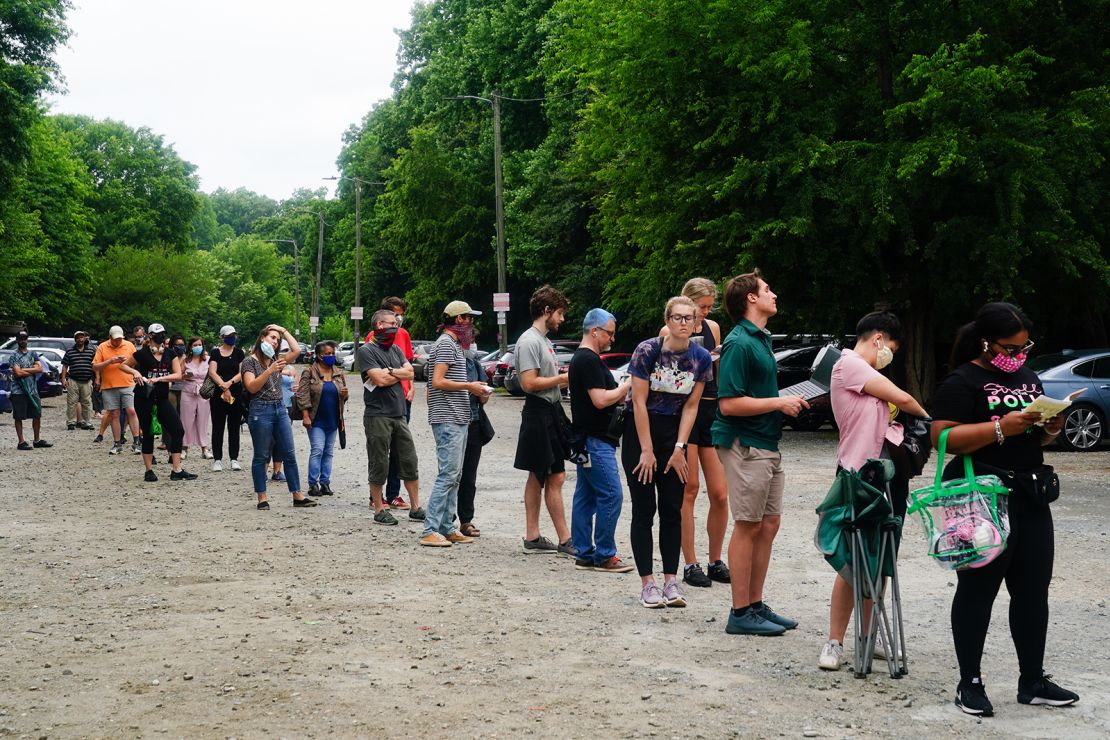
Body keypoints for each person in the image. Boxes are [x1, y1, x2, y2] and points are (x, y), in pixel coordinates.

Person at [930, 302, 1078, 716]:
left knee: (1033, 590)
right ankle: (969, 683)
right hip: (979, 499)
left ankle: (1032, 679)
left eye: (1023, 347)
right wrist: (1000, 428)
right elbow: (942, 439)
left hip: (1029, 496)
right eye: (1009, 348)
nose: (1017, 356)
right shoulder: (962, 381)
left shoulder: (1028, 376)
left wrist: (1048, 429)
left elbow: (1029, 437)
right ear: (985, 342)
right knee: (978, 591)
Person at [817, 311, 928, 671]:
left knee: (881, 559)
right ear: (878, 338)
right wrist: (928, 419)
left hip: (890, 473)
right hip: (858, 472)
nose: (890, 355)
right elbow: (906, 401)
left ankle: (869, 635)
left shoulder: (871, 374)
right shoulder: (848, 365)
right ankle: (834, 641)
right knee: (852, 559)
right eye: (891, 347)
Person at [713, 269, 808, 635]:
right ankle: (739, 612)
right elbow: (729, 405)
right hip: (745, 443)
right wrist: (778, 404)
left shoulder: (761, 338)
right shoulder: (739, 343)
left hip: (766, 442)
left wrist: (781, 403)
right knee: (748, 524)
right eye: (767, 289)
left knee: (768, 524)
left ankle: (754, 604)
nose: (774, 294)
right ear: (750, 298)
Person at [624, 297, 713, 607]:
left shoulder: (701, 357)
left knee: (673, 509)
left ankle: (671, 581)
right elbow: (637, 401)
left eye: (689, 318)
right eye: (677, 318)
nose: (684, 323)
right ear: (667, 320)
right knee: (644, 508)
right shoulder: (648, 350)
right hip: (641, 433)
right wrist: (646, 450)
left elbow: (691, 405)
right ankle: (647, 583)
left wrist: (680, 448)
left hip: (675, 435)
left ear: (696, 322)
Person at [661, 278, 731, 588]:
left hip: (711, 411)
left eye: (707, 308)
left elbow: (717, 369)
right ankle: (690, 563)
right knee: (689, 489)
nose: (704, 313)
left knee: (720, 492)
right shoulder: (669, 333)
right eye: (700, 307)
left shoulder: (712, 328)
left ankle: (715, 559)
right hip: (686, 411)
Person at [569, 309, 634, 572]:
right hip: (595, 439)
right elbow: (600, 400)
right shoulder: (587, 360)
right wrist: (626, 387)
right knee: (611, 494)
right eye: (609, 333)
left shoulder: (584, 359)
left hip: (584, 439)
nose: (612, 339)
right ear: (594, 330)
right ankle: (605, 555)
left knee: (585, 496)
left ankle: (584, 552)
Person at [513, 285, 575, 555]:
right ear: (546, 311)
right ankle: (563, 539)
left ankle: (536, 536)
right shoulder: (529, 341)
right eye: (559, 313)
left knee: (542, 475)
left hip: (549, 411)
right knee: (550, 475)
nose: (561, 319)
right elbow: (528, 383)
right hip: (538, 411)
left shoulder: (543, 340)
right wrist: (563, 379)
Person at [420, 301, 487, 547]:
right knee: (448, 475)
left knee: (455, 476)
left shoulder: (454, 345)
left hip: (457, 417)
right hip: (447, 418)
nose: (471, 324)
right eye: (469, 318)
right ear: (459, 320)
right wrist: (470, 386)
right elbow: (437, 381)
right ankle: (429, 530)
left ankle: (447, 527)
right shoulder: (447, 344)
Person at [358, 310, 423, 524]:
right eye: (392, 323)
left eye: (397, 323)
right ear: (379, 325)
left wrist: (389, 371)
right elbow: (379, 380)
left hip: (399, 414)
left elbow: (411, 373)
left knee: (409, 460)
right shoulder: (366, 350)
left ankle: (416, 507)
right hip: (378, 416)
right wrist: (396, 373)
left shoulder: (395, 349)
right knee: (379, 463)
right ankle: (378, 509)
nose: (396, 327)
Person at [241, 324, 315, 510]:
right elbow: (251, 387)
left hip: (280, 409)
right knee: (261, 455)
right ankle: (262, 498)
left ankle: (297, 495)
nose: (275, 342)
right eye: (272, 338)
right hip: (260, 410)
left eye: (277, 340)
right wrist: (270, 370)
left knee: (289, 453)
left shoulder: (276, 359)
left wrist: (283, 331)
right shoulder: (249, 362)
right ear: (262, 338)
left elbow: (297, 350)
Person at [125, 323, 195, 482]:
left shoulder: (170, 353)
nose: (161, 337)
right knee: (148, 433)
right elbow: (123, 366)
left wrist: (160, 379)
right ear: (150, 336)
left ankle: (177, 469)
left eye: (163, 334)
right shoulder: (141, 354)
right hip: (144, 398)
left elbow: (177, 375)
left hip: (162, 397)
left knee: (177, 430)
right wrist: (135, 371)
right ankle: (149, 470)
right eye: (157, 334)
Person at [297, 340, 349, 497]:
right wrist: (305, 416)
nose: (331, 356)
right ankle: (313, 484)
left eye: (332, 353)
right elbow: (302, 395)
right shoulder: (309, 372)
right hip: (315, 419)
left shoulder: (339, 372)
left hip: (333, 419)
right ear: (319, 356)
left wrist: (345, 395)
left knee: (328, 452)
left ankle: (325, 483)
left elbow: (343, 397)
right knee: (317, 450)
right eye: (327, 354)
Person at [378, 296, 416, 509]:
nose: (399, 318)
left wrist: (411, 387)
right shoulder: (374, 336)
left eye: (401, 313)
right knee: (380, 447)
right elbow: (377, 371)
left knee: (399, 448)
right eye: (395, 313)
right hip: (384, 397)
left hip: (403, 397)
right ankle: (377, 495)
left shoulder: (404, 334)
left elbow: (408, 365)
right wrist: (398, 374)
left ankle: (394, 494)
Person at [456, 340, 491, 538]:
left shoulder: (475, 364)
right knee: (452, 474)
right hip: (454, 423)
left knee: (469, 475)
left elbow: (483, 398)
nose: (473, 345)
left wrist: (484, 393)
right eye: (470, 342)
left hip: (474, 422)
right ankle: (446, 517)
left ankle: (466, 519)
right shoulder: (452, 362)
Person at [92, 325, 143, 455]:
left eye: (120, 339)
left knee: (131, 410)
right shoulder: (102, 347)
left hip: (128, 383)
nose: (118, 341)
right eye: (115, 339)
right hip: (109, 386)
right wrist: (109, 361)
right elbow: (95, 367)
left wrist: (128, 363)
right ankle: (117, 443)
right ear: (110, 337)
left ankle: (137, 441)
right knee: (114, 413)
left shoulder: (129, 345)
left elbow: (136, 362)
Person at [208, 325, 244, 472]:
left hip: (235, 393)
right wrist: (223, 386)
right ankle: (217, 459)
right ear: (222, 337)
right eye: (229, 335)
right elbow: (212, 372)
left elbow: (242, 372)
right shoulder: (215, 353)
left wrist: (229, 383)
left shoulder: (239, 353)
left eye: (234, 335)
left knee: (234, 426)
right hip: (218, 394)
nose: (232, 337)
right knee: (218, 427)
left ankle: (234, 458)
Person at [10, 331, 51, 450]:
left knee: (37, 414)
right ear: (17, 340)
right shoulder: (14, 356)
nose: (23, 340)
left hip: (33, 390)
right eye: (20, 338)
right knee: (18, 416)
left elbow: (40, 368)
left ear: (27, 339)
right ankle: (21, 441)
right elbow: (17, 373)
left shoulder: (33, 354)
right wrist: (32, 369)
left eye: (25, 338)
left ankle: (37, 440)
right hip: (19, 390)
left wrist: (25, 370)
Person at [179, 336, 212, 460]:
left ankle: (204, 448)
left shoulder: (208, 360)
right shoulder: (185, 360)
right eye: (195, 345)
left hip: (203, 392)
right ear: (190, 347)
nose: (197, 347)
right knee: (186, 420)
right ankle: (184, 447)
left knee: (203, 420)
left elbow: (213, 374)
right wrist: (185, 376)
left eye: (200, 345)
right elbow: (179, 375)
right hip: (188, 391)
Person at [61, 330, 97, 431]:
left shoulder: (91, 351)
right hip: (73, 380)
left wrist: (97, 378)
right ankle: (71, 422)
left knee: (87, 402)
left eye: (81, 337)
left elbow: (95, 365)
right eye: (77, 337)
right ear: (75, 339)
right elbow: (65, 366)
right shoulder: (70, 351)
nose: (79, 339)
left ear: (85, 338)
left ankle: (87, 422)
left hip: (87, 380)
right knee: (72, 402)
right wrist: (63, 379)